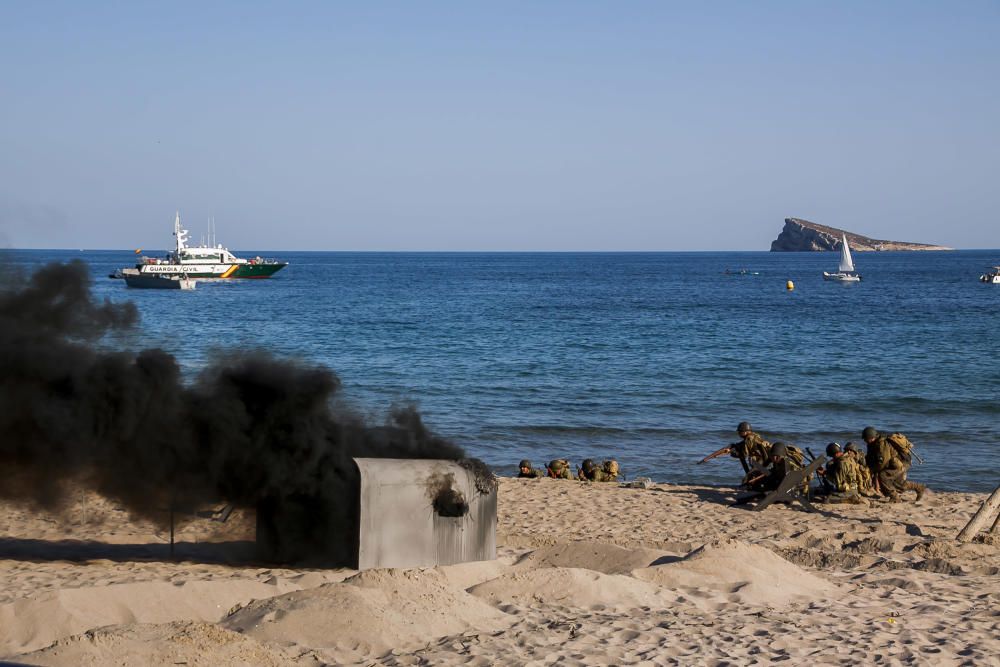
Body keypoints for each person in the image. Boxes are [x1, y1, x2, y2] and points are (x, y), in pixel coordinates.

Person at [862, 426, 925, 502]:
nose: (864, 440)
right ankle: (919, 487)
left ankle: (895, 497)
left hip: (901, 463)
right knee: (898, 484)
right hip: (895, 464)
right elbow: (871, 458)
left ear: (871, 437)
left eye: (865, 438)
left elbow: (882, 462)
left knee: (883, 476)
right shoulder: (872, 444)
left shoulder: (881, 444)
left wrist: (872, 470)